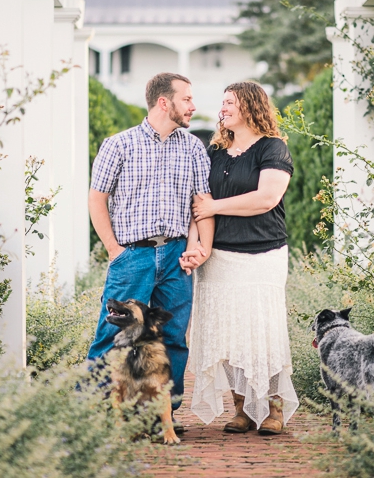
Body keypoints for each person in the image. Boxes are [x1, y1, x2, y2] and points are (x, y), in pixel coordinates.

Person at [87, 72, 214, 426]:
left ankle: (162, 418)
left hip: (176, 258)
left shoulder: (193, 148)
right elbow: (97, 199)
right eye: (186, 99)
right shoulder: (118, 145)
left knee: (173, 338)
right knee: (111, 335)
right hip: (132, 256)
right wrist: (114, 250)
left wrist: (196, 248)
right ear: (164, 102)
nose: (193, 106)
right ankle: (95, 416)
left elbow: (200, 204)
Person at [185, 81, 298, 436]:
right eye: (222, 103)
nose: (223, 108)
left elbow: (265, 198)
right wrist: (196, 249)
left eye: (230, 102)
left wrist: (215, 205)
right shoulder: (215, 152)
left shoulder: (273, 148)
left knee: (264, 330)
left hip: (264, 253)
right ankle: (243, 409)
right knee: (228, 334)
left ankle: (273, 408)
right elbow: (198, 207)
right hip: (220, 257)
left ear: (250, 106)